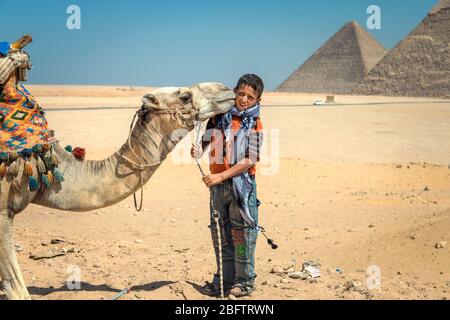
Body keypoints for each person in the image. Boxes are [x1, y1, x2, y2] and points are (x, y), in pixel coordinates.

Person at [191, 74, 264, 297]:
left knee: (241, 236)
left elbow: (250, 159)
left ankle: (244, 282)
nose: (244, 100)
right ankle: (224, 280)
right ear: (234, 92)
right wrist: (198, 149)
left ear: (257, 100)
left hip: (241, 187)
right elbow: (206, 139)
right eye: (241, 94)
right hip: (217, 187)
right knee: (221, 235)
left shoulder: (255, 124)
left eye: (250, 97)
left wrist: (221, 177)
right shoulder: (219, 117)